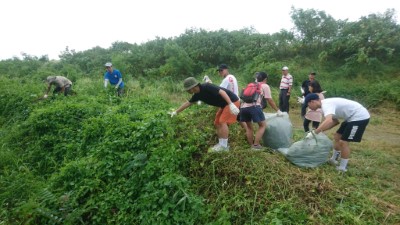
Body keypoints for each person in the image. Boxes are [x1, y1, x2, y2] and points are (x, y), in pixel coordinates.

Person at [170, 77, 240, 152]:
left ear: (196, 85)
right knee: (217, 123)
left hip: (231, 101)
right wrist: (176, 112)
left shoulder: (207, 86)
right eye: (190, 90)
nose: (192, 90)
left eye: (193, 88)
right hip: (224, 105)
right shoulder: (197, 95)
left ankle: (225, 147)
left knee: (222, 121)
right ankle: (221, 144)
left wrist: (230, 104)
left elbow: (222, 92)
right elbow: (188, 103)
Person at [304, 93, 370, 172]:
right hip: (350, 117)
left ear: (312, 102)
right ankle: (333, 160)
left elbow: (328, 120)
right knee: (337, 136)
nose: (309, 108)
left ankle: (342, 168)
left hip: (359, 116)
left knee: (343, 142)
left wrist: (315, 132)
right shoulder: (324, 107)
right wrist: (319, 131)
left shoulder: (326, 105)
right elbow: (334, 122)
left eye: (308, 106)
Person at [240, 72, 282, 149]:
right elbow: (269, 100)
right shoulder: (265, 86)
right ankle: (256, 145)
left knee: (249, 127)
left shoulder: (252, 84)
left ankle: (251, 145)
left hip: (243, 108)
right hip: (254, 107)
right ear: (265, 79)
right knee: (262, 125)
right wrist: (277, 110)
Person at [217, 64, 247, 130]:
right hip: (237, 100)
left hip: (231, 102)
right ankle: (248, 131)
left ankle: (226, 136)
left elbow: (218, 90)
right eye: (219, 71)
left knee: (223, 121)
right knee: (240, 118)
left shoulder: (226, 79)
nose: (220, 72)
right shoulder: (233, 77)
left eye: (222, 70)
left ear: (226, 70)